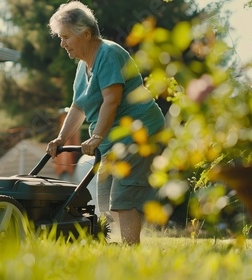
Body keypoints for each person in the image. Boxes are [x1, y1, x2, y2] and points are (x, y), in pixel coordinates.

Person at [46, 1, 165, 245]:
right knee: (104, 198)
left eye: (65, 37)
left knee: (123, 196)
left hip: (139, 132)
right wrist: (61, 139)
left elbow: (112, 100)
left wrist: (97, 136)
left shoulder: (109, 54)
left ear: (86, 34)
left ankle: (131, 251)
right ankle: (115, 246)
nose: (62, 44)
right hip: (111, 139)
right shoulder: (82, 66)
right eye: (60, 37)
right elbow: (78, 106)